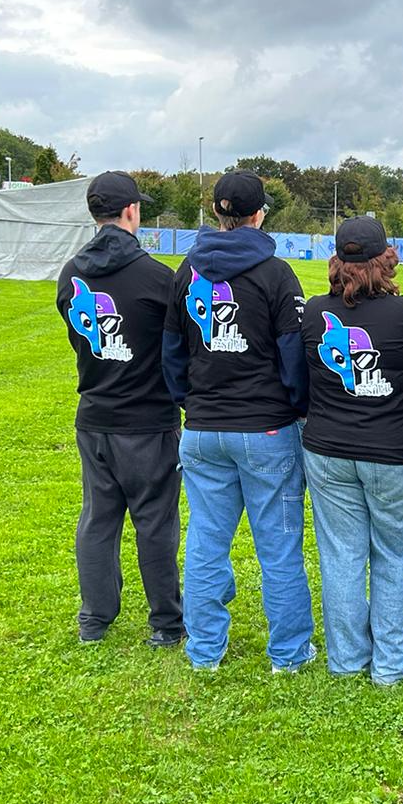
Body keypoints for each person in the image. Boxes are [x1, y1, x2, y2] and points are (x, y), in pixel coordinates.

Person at [161, 169, 315, 673]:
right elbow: (293, 358)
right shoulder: (276, 275)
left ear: (216, 213)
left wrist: (193, 404)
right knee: (279, 544)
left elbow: (173, 352)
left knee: (206, 539)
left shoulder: (188, 271)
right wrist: (296, 406)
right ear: (260, 214)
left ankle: (205, 651)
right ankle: (289, 654)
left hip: (205, 428)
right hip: (264, 428)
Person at [300, 216, 403, 684]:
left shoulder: (316, 313)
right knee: (397, 558)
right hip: (396, 454)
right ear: (387, 259)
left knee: (341, 557)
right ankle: (391, 665)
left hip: (329, 453)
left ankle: (347, 659)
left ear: (337, 260)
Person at [54, 171, 183, 648]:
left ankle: (95, 619)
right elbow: (176, 349)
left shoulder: (72, 273)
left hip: (96, 415)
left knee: (98, 518)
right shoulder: (157, 278)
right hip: (147, 421)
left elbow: (77, 337)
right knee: (154, 522)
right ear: (132, 211)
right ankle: (166, 623)